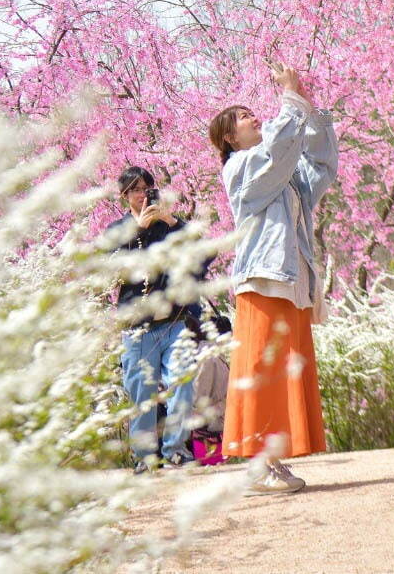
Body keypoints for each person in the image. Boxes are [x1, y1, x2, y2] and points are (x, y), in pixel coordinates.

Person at [208, 64, 338, 495]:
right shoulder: (242, 168)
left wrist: (308, 108)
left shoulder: (282, 176)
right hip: (263, 279)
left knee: (282, 373)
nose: (253, 118)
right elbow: (278, 151)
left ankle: (272, 460)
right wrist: (289, 98)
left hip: (290, 281)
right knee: (262, 372)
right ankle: (258, 463)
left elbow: (319, 167)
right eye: (244, 117)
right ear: (230, 137)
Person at [108, 165, 200, 473]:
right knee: (142, 394)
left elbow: (198, 248)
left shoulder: (166, 224)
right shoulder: (118, 230)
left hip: (174, 321)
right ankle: (145, 457)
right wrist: (138, 230)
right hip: (137, 328)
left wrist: (171, 221)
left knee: (183, 381)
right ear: (124, 196)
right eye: (135, 190)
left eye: (146, 188)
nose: (142, 195)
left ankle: (175, 450)